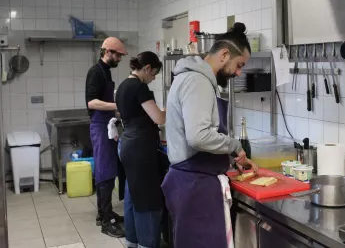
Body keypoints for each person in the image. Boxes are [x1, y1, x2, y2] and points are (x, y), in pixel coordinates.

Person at [162, 22, 258, 248]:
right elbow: (199, 136)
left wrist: (229, 159)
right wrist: (234, 145)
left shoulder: (193, 77)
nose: (239, 72)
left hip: (192, 182)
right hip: (195, 186)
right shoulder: (198, 81)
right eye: (239, 65)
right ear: (225, 54)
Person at [116, 51, 166, 248]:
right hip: (140, 148)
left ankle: (132, 241)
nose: (153, 78)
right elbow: (159, 119)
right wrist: (173, 108)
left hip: (127, 143)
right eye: (153, 74)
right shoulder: (139, 87)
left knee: (132, 195)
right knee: (147, 199)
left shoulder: (122, 86)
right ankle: (147, 243)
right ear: (147, 68)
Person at [85, 37, 126, 238]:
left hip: (108, 125)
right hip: (100, 127)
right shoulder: (95, 71)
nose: (119, 58)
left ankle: (105, 213)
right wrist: (118, 106)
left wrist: (118, 114)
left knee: (109, 172)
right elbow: (92, 102)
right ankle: (105, 219)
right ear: (108, 52)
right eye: (118, 55)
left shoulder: (106, 71)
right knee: (104, 172)